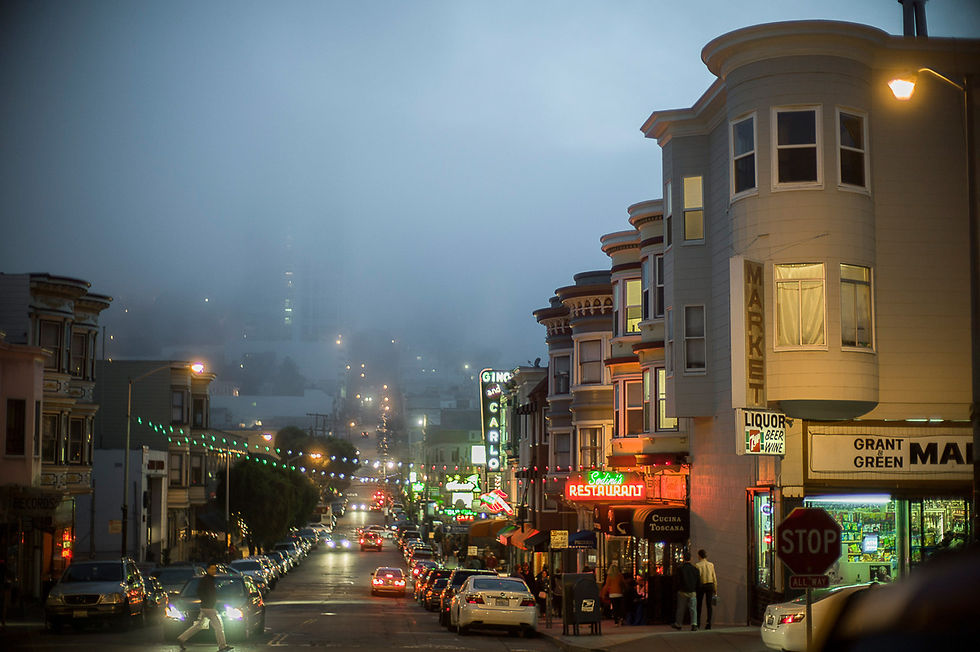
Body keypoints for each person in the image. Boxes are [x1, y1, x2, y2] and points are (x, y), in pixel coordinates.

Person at [177, 564, 233, 652]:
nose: (214, 571)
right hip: (209, 607)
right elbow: (200, 592)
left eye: (215, 569)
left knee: (199, 625)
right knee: (219, 626)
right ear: (207, 569)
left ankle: (181, 638)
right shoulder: (206, 580)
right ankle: (222, 646)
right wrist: (208, 601)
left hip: (206, 607)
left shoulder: (209, 579)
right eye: (212, 569)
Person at [672, 551, 700, 631]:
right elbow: (698, 581)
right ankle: (694, 624)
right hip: (692, 591)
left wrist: (678, 588)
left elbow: (677, 580)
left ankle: (678, 624)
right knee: (693, 609)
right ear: (691, 559)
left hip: (682, 591)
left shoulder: (680, 569)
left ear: (683, 558)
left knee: (680, 609)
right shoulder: (695, 569)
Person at [695, 549, 717, 630]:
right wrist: (715, 588)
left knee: (699, 605)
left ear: (699, 555)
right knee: (709, 605)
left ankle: (698, 623)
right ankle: (709, 623)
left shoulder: (697, 565)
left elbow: (698, 577)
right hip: (710, 584)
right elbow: (714, 577)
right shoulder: (711, 565)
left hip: (702, 585)